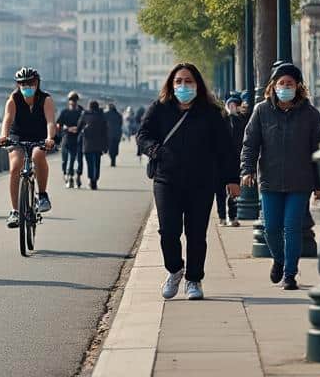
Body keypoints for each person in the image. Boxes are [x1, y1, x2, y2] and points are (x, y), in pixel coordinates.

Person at [138, 63, 239, 301]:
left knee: (196, 233)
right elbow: (142, 136)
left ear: (197, 84)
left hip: (201, 181)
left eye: (188, 81)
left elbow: (225, 148)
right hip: (167, 179)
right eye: (179, 81)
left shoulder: (211, 113)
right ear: (171, 85)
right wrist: (156, 150)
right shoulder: (159, 108)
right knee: (168, 231)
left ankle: (194, 279)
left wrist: (231, 179)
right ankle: (175, 270)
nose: (183, 86)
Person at [240, 62, 320, 291]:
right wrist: (247, 170)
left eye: (290, 83)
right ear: (273, 86)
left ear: (298, 87)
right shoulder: (262, 111)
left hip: (300, 182)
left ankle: (290, 274)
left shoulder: (310, 114)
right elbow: (250, 143)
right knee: (271, 229)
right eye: (281, 83)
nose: (285, 87)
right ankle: (279, 259)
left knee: (292, 228)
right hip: (270, 181)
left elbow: (318, 150)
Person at [0, 67, 57, 227]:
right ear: (18, 85)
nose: (26, 86)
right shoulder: (13, 99)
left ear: (37, 83)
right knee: (15, 166)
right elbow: (7, 119)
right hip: (18, 135)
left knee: (37, 156)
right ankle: (15, 211)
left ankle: (42, 195)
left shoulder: (45, 99)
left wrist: (50, 138)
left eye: (30, 83)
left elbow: (50, 121)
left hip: (40, 135)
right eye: (23, 84)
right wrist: (3, 136)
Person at [214, 93, 244, 227]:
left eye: (234, 105)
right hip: (220, 161)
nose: (232, 107)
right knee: (220, 191)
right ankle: (222, 217)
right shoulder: (221, 119)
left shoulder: (240, 119)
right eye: (230, 105)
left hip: (235, 160)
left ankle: (233, 216)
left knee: (234, 191)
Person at [57, 91, 84, 188]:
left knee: (77, 159)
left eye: (75, 100)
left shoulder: (81, 112)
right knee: (65, 159)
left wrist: (78, 129)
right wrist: (65, 130)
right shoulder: (64, 112)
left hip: (78, 139)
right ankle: (66, 174)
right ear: (69, 101)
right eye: (71, 100)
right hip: (67, 138)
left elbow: (85, 124)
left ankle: (74, 176)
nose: (73, 101)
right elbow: (59, 124)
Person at [79, 99, 108, 189]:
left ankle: (91, 179)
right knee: (97, 163)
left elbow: (79, 126)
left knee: (90, 164)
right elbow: (105, 132)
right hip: (98, 144)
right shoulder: (101, 116)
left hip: (87, 143)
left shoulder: (85, 115)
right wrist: (105, 146)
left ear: (89, 107)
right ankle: (95, 180)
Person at [104, 100, 125, 167]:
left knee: (110, 147)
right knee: (115, 147)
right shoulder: (118, 115)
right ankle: (113, 159)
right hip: (117, 133)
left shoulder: (106, 114)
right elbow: (121, 123)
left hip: (109, 133)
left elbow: (103, 124)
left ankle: (112, 159)